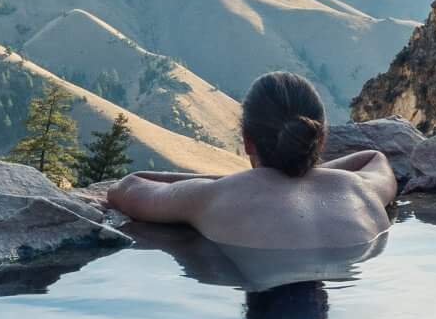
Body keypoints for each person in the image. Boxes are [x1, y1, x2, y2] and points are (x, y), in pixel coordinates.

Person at [103, 71, 396, 251]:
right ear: (319, 138)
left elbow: (125, 188)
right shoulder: (359, 189)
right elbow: (373, 158)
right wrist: (307, 173)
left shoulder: (211, 197)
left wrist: (223, 183)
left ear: (247, 142)